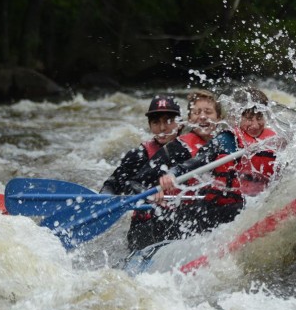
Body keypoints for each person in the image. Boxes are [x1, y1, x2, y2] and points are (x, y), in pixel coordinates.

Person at [128, 87, 278, 252]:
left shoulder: (275, 140)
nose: (255, 125)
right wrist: (171, 175)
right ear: (236, 117)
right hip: (217, 208)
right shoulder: (223, 141)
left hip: (249, 205)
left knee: (257, 206)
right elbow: (193, 163)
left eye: (259, 117)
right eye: (248, 119)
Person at [125, 89, 223, 250]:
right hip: (165, 222)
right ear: (190, 119)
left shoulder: (227, 143)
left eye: (208, 112)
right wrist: (151, 193)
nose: (202, 116)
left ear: (219, 118)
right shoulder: (178, 147)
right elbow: (134, 182)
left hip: (205, 213)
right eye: (196, 112)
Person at [100, 95, 182, 195]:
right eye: (156, 122)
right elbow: (112, 185)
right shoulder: (138, 155)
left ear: (179, 124)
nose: (162, 128)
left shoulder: (191, 150)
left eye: (168, 121)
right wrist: (147, 192)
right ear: (150, 126)